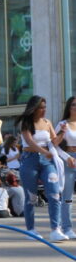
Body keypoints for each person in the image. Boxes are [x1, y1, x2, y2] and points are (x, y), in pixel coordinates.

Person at [18, 96, 66, 242]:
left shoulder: (47, 122)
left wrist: (62, 133)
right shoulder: (26, 123)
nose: (44, 110)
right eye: (41, 107)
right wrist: (44, 151)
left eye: (45, 107)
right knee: (31, 197)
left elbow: (54, 141)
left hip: (47, 161)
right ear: (34, 108)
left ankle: (55, 230)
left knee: (54, 193)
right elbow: (30, 142)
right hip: (29, 159)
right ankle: (31, 230)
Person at [53, 96, 76, 240]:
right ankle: (67, 228)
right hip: (68, 160)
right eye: (73, 104)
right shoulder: (62, 124)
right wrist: (67, 157)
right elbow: (53, 144)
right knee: (68, 197)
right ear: (69, 107)